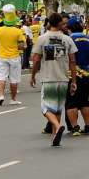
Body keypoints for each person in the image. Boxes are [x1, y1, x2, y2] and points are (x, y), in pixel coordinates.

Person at [30, 13, 78, 147]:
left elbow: (36, 59)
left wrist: (33, 75)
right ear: (60, 24)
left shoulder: (42, 39)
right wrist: (73, 81)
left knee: (45, 108)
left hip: (48, 78)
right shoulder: (67, 39)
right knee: (57, 109)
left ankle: (57, 125)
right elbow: (73, 61)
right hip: (63, 79)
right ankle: (55, 135)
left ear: (49, 23)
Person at [0, 4, 27, 106]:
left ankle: (1, 95)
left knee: (1, 77)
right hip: (14, 57)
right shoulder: (18, 31)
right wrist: (21, 46)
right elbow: (22, 46)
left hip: (2, 57)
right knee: (14, 79)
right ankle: (13, 99)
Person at [68, 19, 89, 135]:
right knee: (85, 101)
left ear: (70, 28)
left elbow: (70, 57)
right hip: (87, 72)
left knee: (72, 101)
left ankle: (75, 127)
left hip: (74, 73)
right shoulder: (88, 38)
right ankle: (88, 125)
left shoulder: (70, 39)